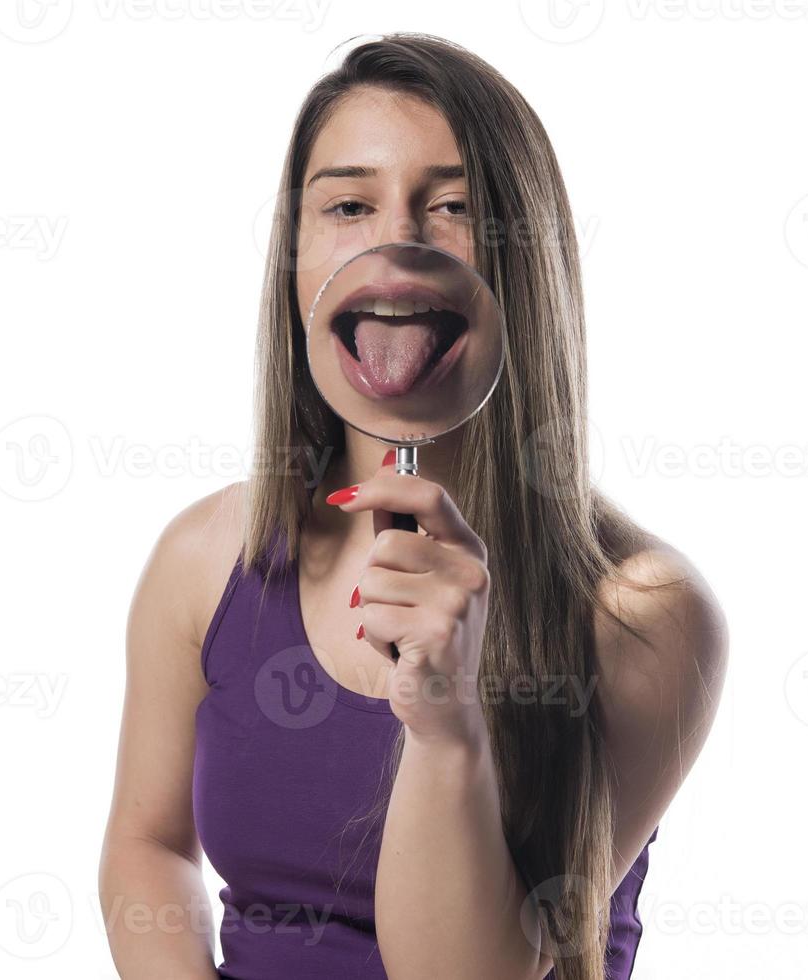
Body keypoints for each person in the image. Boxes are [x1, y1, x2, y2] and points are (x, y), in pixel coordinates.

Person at [99, 33, 727, 980]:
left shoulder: (640, 614)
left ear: (524, 263)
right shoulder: (208, 557)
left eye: (454, 207)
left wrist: (445, 723)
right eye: (349, 205)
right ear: (296, 261)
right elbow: (146, 845)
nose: (397, 243)